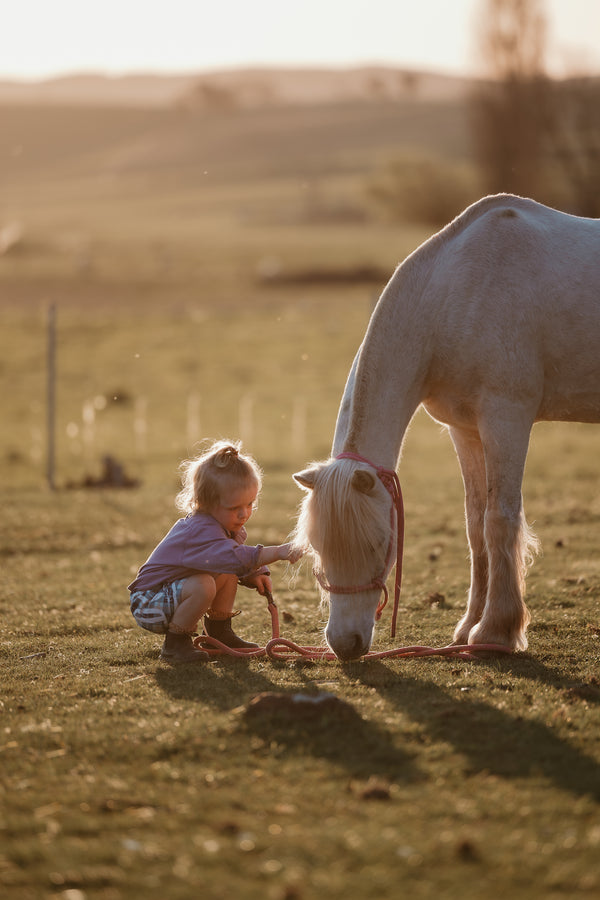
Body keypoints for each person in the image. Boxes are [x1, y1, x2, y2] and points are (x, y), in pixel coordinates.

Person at [128, 440, 303, 662]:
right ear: (207, 503)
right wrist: (278, 552)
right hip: (148, 602)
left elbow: (232, 560)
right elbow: (234, 556)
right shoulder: (201, 529)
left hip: (169, 594)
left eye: (249, 504)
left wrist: (256, 572)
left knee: (225, 573)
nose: (244, 514)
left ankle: (219, 632)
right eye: (234, 508)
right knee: (204, 584)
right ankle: (175, 645)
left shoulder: (225, 528)